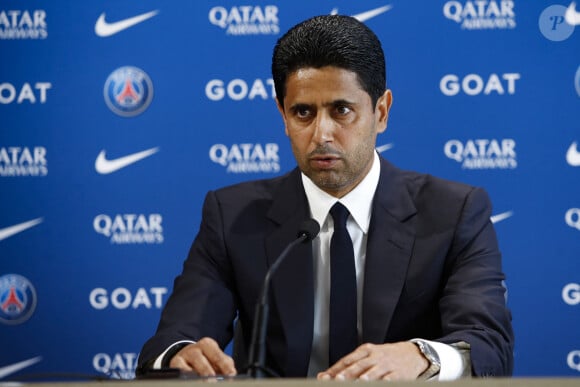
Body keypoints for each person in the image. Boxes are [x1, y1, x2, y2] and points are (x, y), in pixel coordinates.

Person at [137, 15, 514, 381]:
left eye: (342, 110)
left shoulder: (454, 211)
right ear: (283, 116)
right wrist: (182, 354)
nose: (322, 134)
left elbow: (488, 347)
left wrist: (420, 356)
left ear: (381, 112)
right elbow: (171, 341)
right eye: (303, 112)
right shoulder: (232, 216)